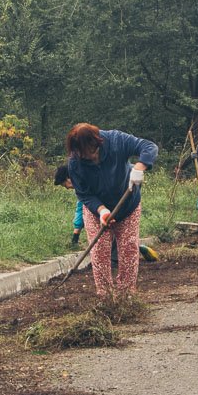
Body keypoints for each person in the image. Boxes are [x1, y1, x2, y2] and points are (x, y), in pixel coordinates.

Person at [66, 123, 159, 296]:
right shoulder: (75, 163)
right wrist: (102, 211)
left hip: (128, 204)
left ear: (97, 142)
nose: (90, 158)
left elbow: (149, 146)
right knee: (99, 251)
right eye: (83, 155)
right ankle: (106, 296)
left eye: (91, 152)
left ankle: (126, 294)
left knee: (129, 249)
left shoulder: (116, 140)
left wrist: (139, 167)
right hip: (97, 211)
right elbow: (84, 194)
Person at [54, 164, 86, 247]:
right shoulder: (80, 186)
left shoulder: (84, 182)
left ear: (69, 178)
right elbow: (80, 208)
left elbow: (80, 210)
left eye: (65, 185)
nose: (67, 188)